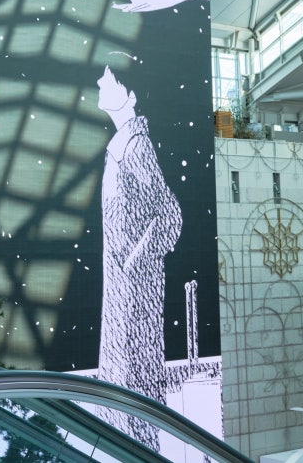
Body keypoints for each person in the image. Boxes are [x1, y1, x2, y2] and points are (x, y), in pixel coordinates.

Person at [95, 64, 182, 452]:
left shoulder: (135, 147)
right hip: (122, 295)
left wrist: (133, 261)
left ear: (130, 96)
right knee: (122, 390)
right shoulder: (123, 145)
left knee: (133, 394)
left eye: (110, 80)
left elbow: (170, 215)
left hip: (135, 301)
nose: (101, 83)